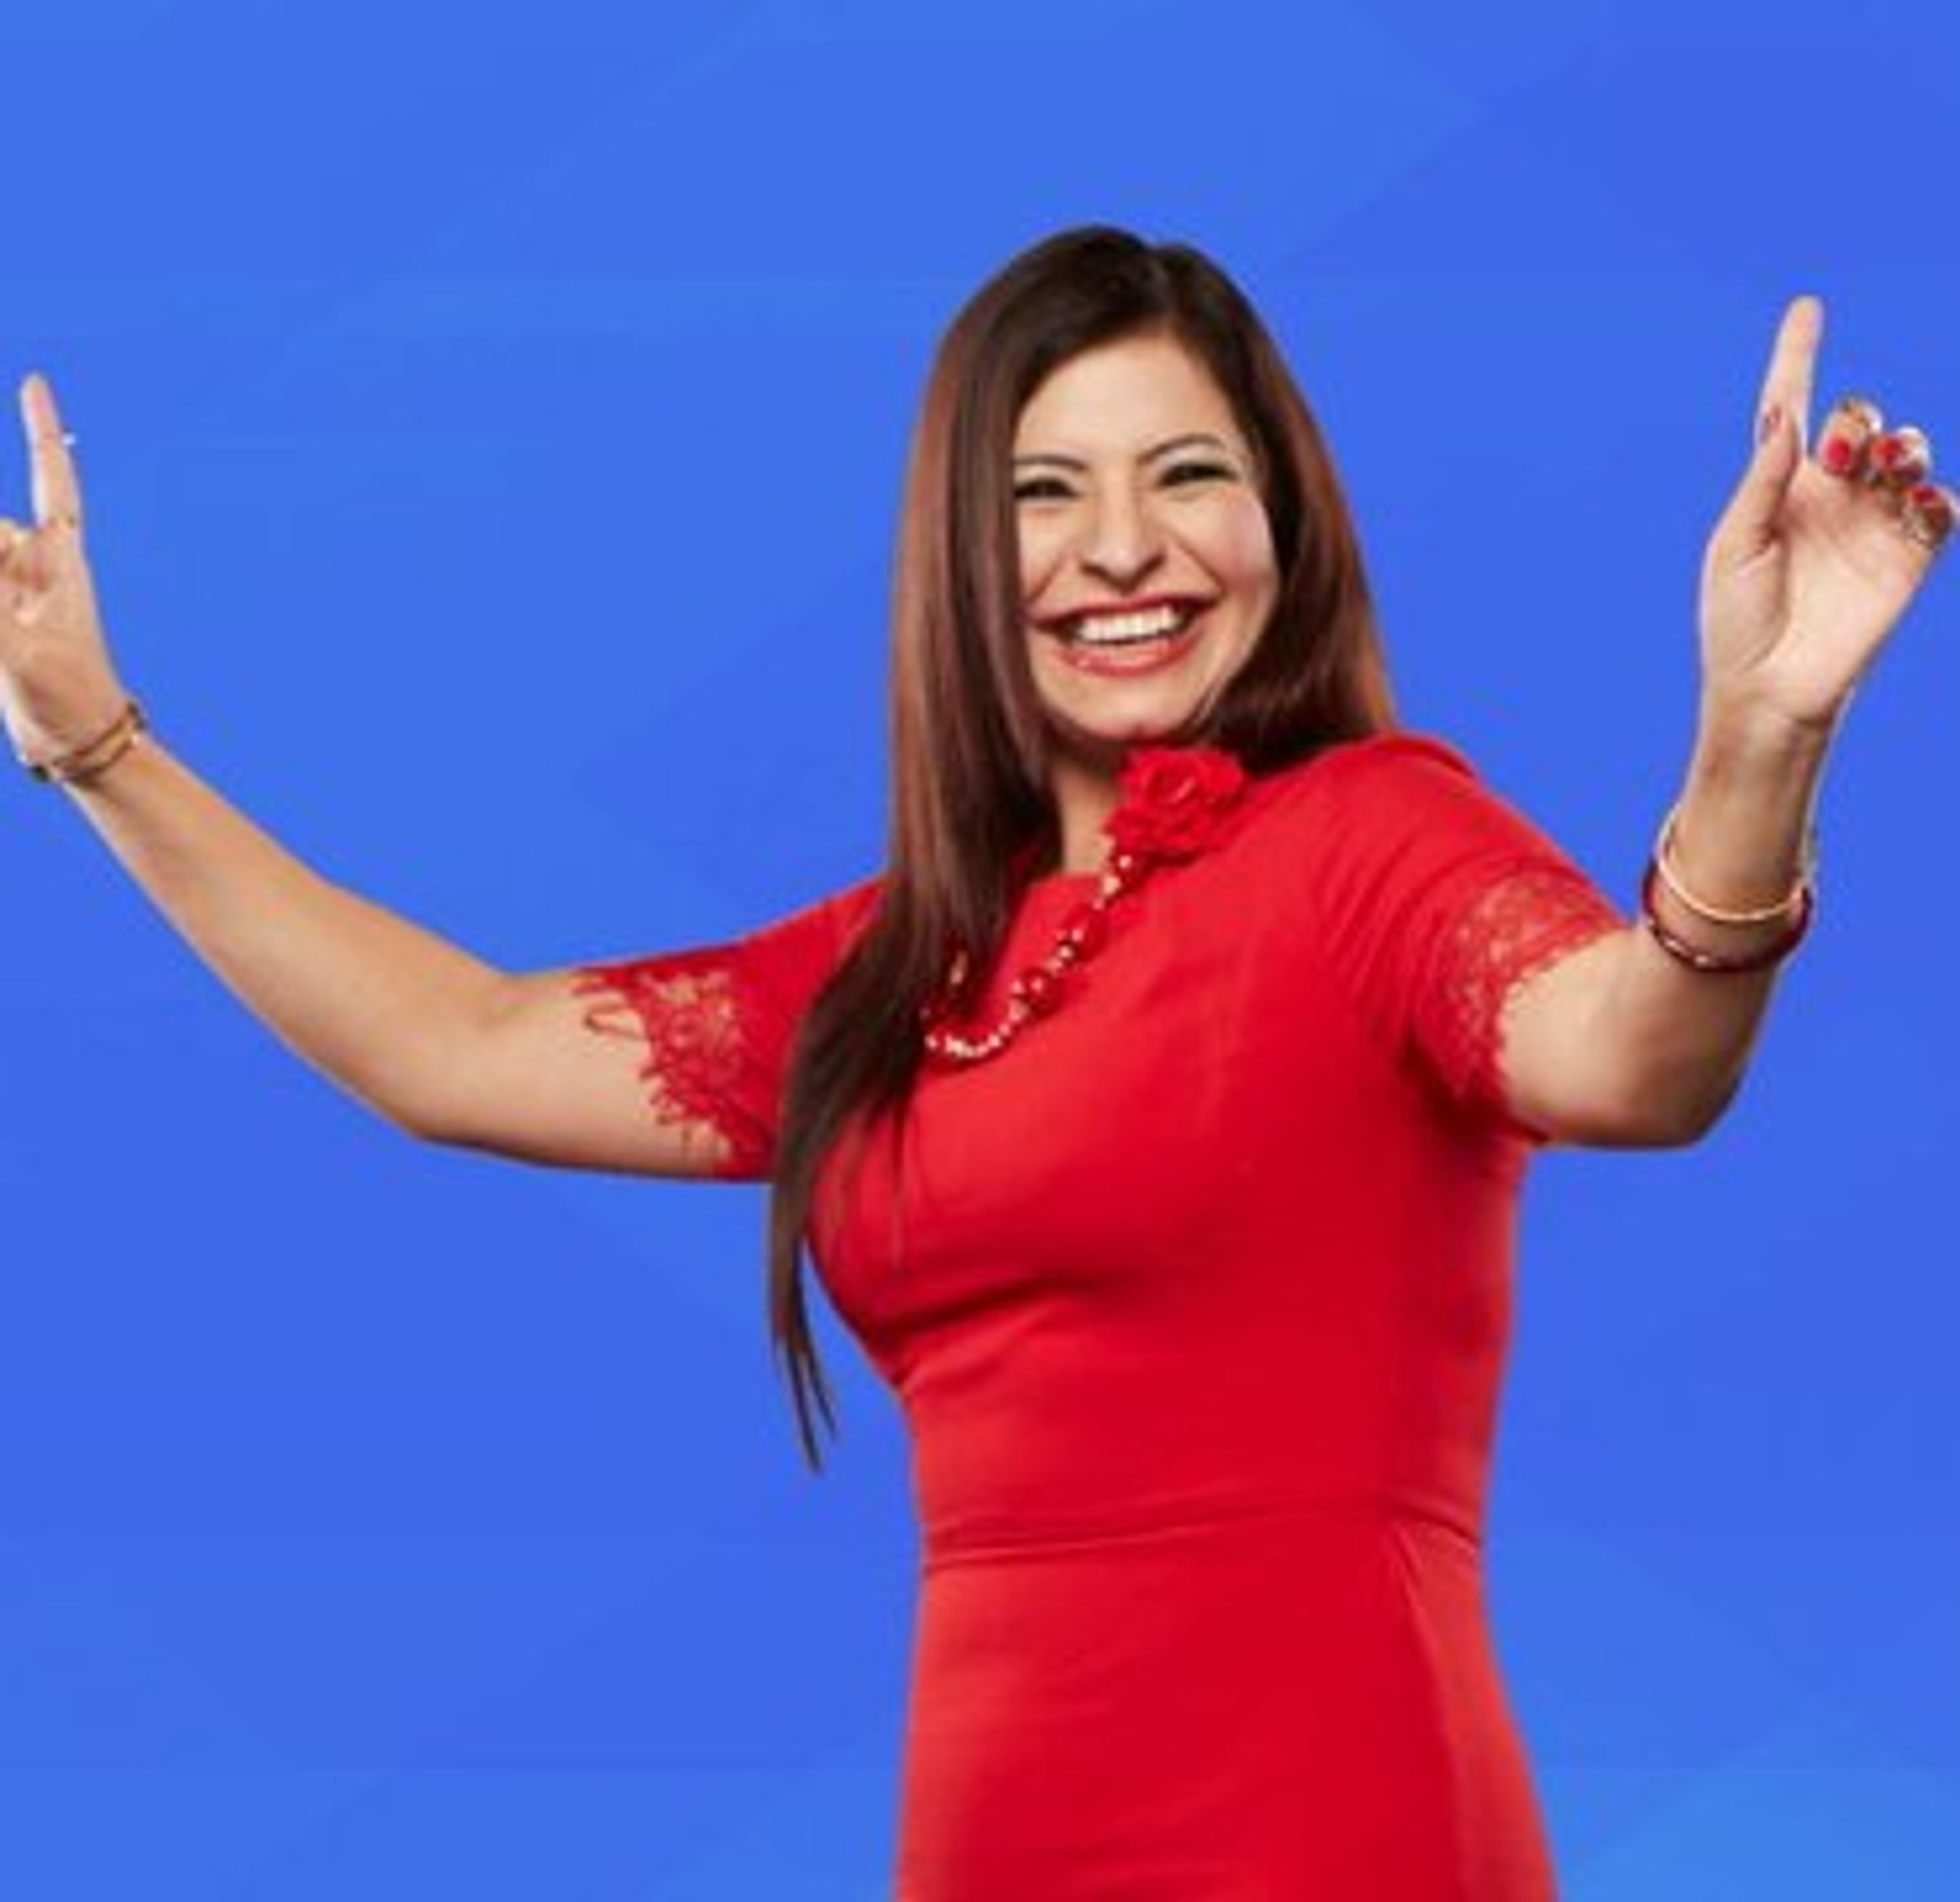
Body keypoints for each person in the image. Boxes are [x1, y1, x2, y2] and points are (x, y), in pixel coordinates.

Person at [2, 227, 1949, 1897]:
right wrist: (100, 742)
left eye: (1187, 475)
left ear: (1283, 521)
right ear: (958, 551)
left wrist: (1760, 740)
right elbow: (458, 1045)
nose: (1121, 551)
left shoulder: (1369, 843)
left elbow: (1636, 1057)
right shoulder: (885, 971)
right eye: (1042, 491)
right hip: (995, 1833)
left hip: (1331, 1821)